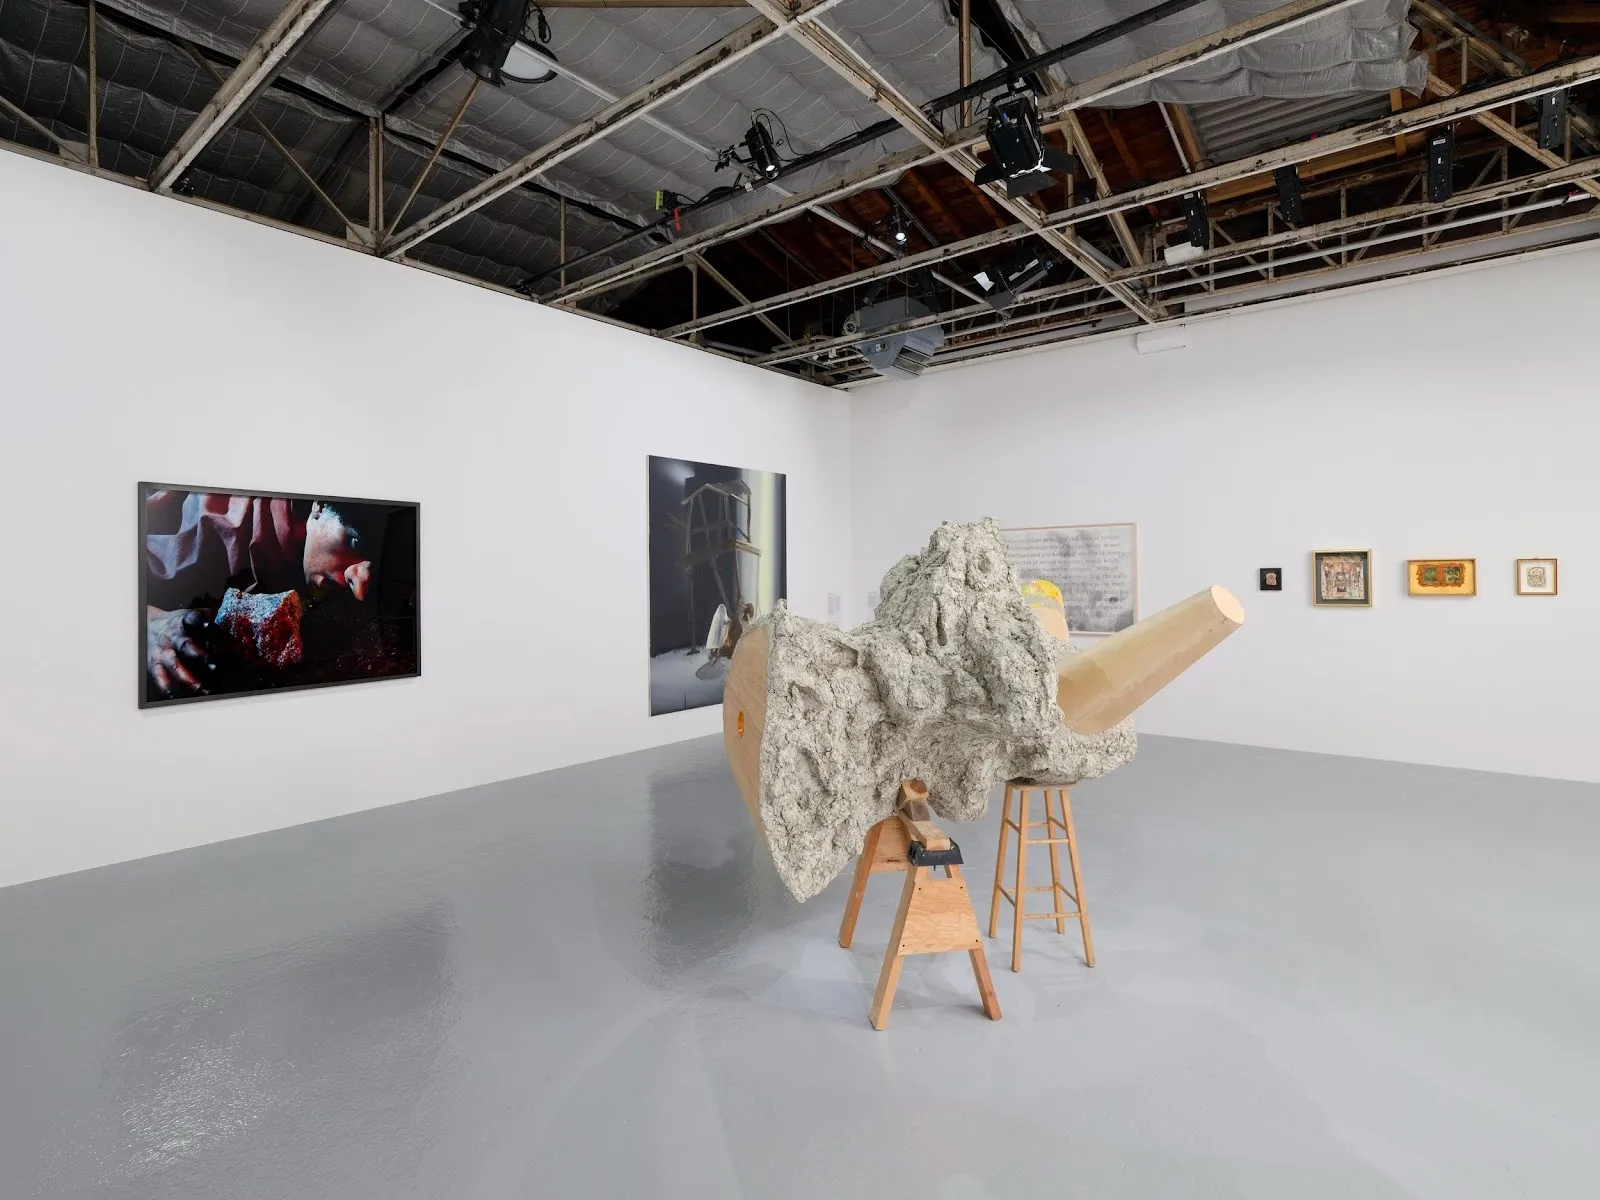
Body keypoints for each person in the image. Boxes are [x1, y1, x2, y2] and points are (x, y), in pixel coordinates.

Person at [144, 490, 386, 697]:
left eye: (375, 573)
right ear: (319, 508)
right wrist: (147, 620)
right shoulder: (217, 521)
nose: (360, 590)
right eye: (353, 540)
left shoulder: (331, 593)